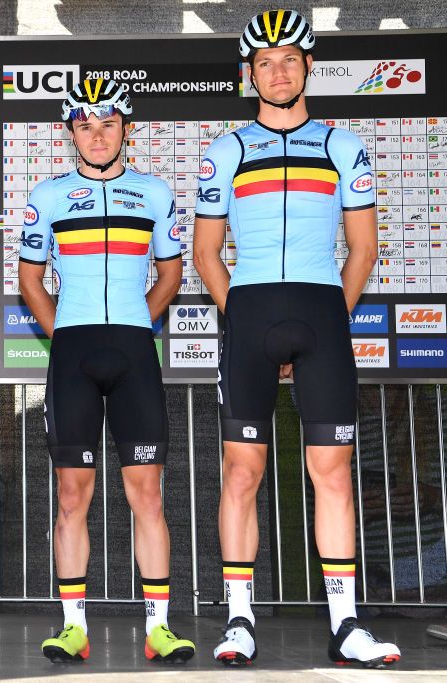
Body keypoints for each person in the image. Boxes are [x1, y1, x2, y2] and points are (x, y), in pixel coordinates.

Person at [193, 9, 400, 668]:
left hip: (323, 316)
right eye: (264, 62)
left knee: (331, 472)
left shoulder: (343, 145)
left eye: (289, 59)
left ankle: (346, 622)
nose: (276, 71)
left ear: (309, 66)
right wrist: (244, 317)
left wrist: (327, 318)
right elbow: (204, 254)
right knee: (242, 471)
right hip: (250, 312)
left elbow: (364, 248)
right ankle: (240, 618)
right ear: (248, 73)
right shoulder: (226, 150)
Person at [19, 78, 193, 664]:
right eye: (85, 125)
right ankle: (73, 626)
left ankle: (159, 628)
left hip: (134, 352)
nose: (97, 135)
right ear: (71, 132)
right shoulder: (47, 196)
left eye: (108, 123)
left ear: (127, 128)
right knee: (73, 495)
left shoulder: (154, 193)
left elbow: (169, 275)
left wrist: (129, 323)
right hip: (73, 354)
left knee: (148, 494)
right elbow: (29, 280)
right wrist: (64, 332)